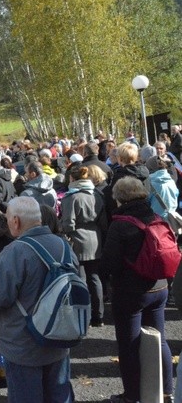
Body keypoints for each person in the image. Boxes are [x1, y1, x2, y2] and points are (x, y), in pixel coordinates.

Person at [0, 197, 77, 402]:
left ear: (15, 221)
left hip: (24, 342)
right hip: (60, 335)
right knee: (59, 394)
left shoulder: (15, 251)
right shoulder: (63, 244)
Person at [101, 177, 174, 403]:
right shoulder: (157, 217)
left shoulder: (120, 223)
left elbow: (109, 263)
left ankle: (132, 395)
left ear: (119, 198)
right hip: (160, 286)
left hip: (131, 292)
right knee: (159, 338)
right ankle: (167, 390)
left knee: (129, 343)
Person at [60, 165, 107, 327]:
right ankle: (98, 316)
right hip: (95, 239)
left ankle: (82, 315)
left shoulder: (71, 198)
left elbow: (68, 224)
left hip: (76, 240)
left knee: (80, 279)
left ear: (72, 179)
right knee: (95, 278)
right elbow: (103, 222)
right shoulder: (97, 194)